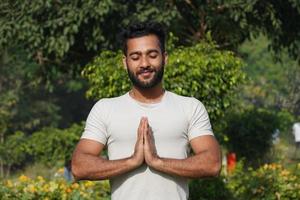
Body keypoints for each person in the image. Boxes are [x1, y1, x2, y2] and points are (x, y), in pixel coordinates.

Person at [71, 22, 221, 200]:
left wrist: (157, 161)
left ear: (165, 58)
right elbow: (79, 166)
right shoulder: (105, 109)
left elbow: (212, 163)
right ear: (125, 62)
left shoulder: (189, 107)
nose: (144, 63)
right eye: (135, 57)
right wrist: (132, 161)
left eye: (152, 55)